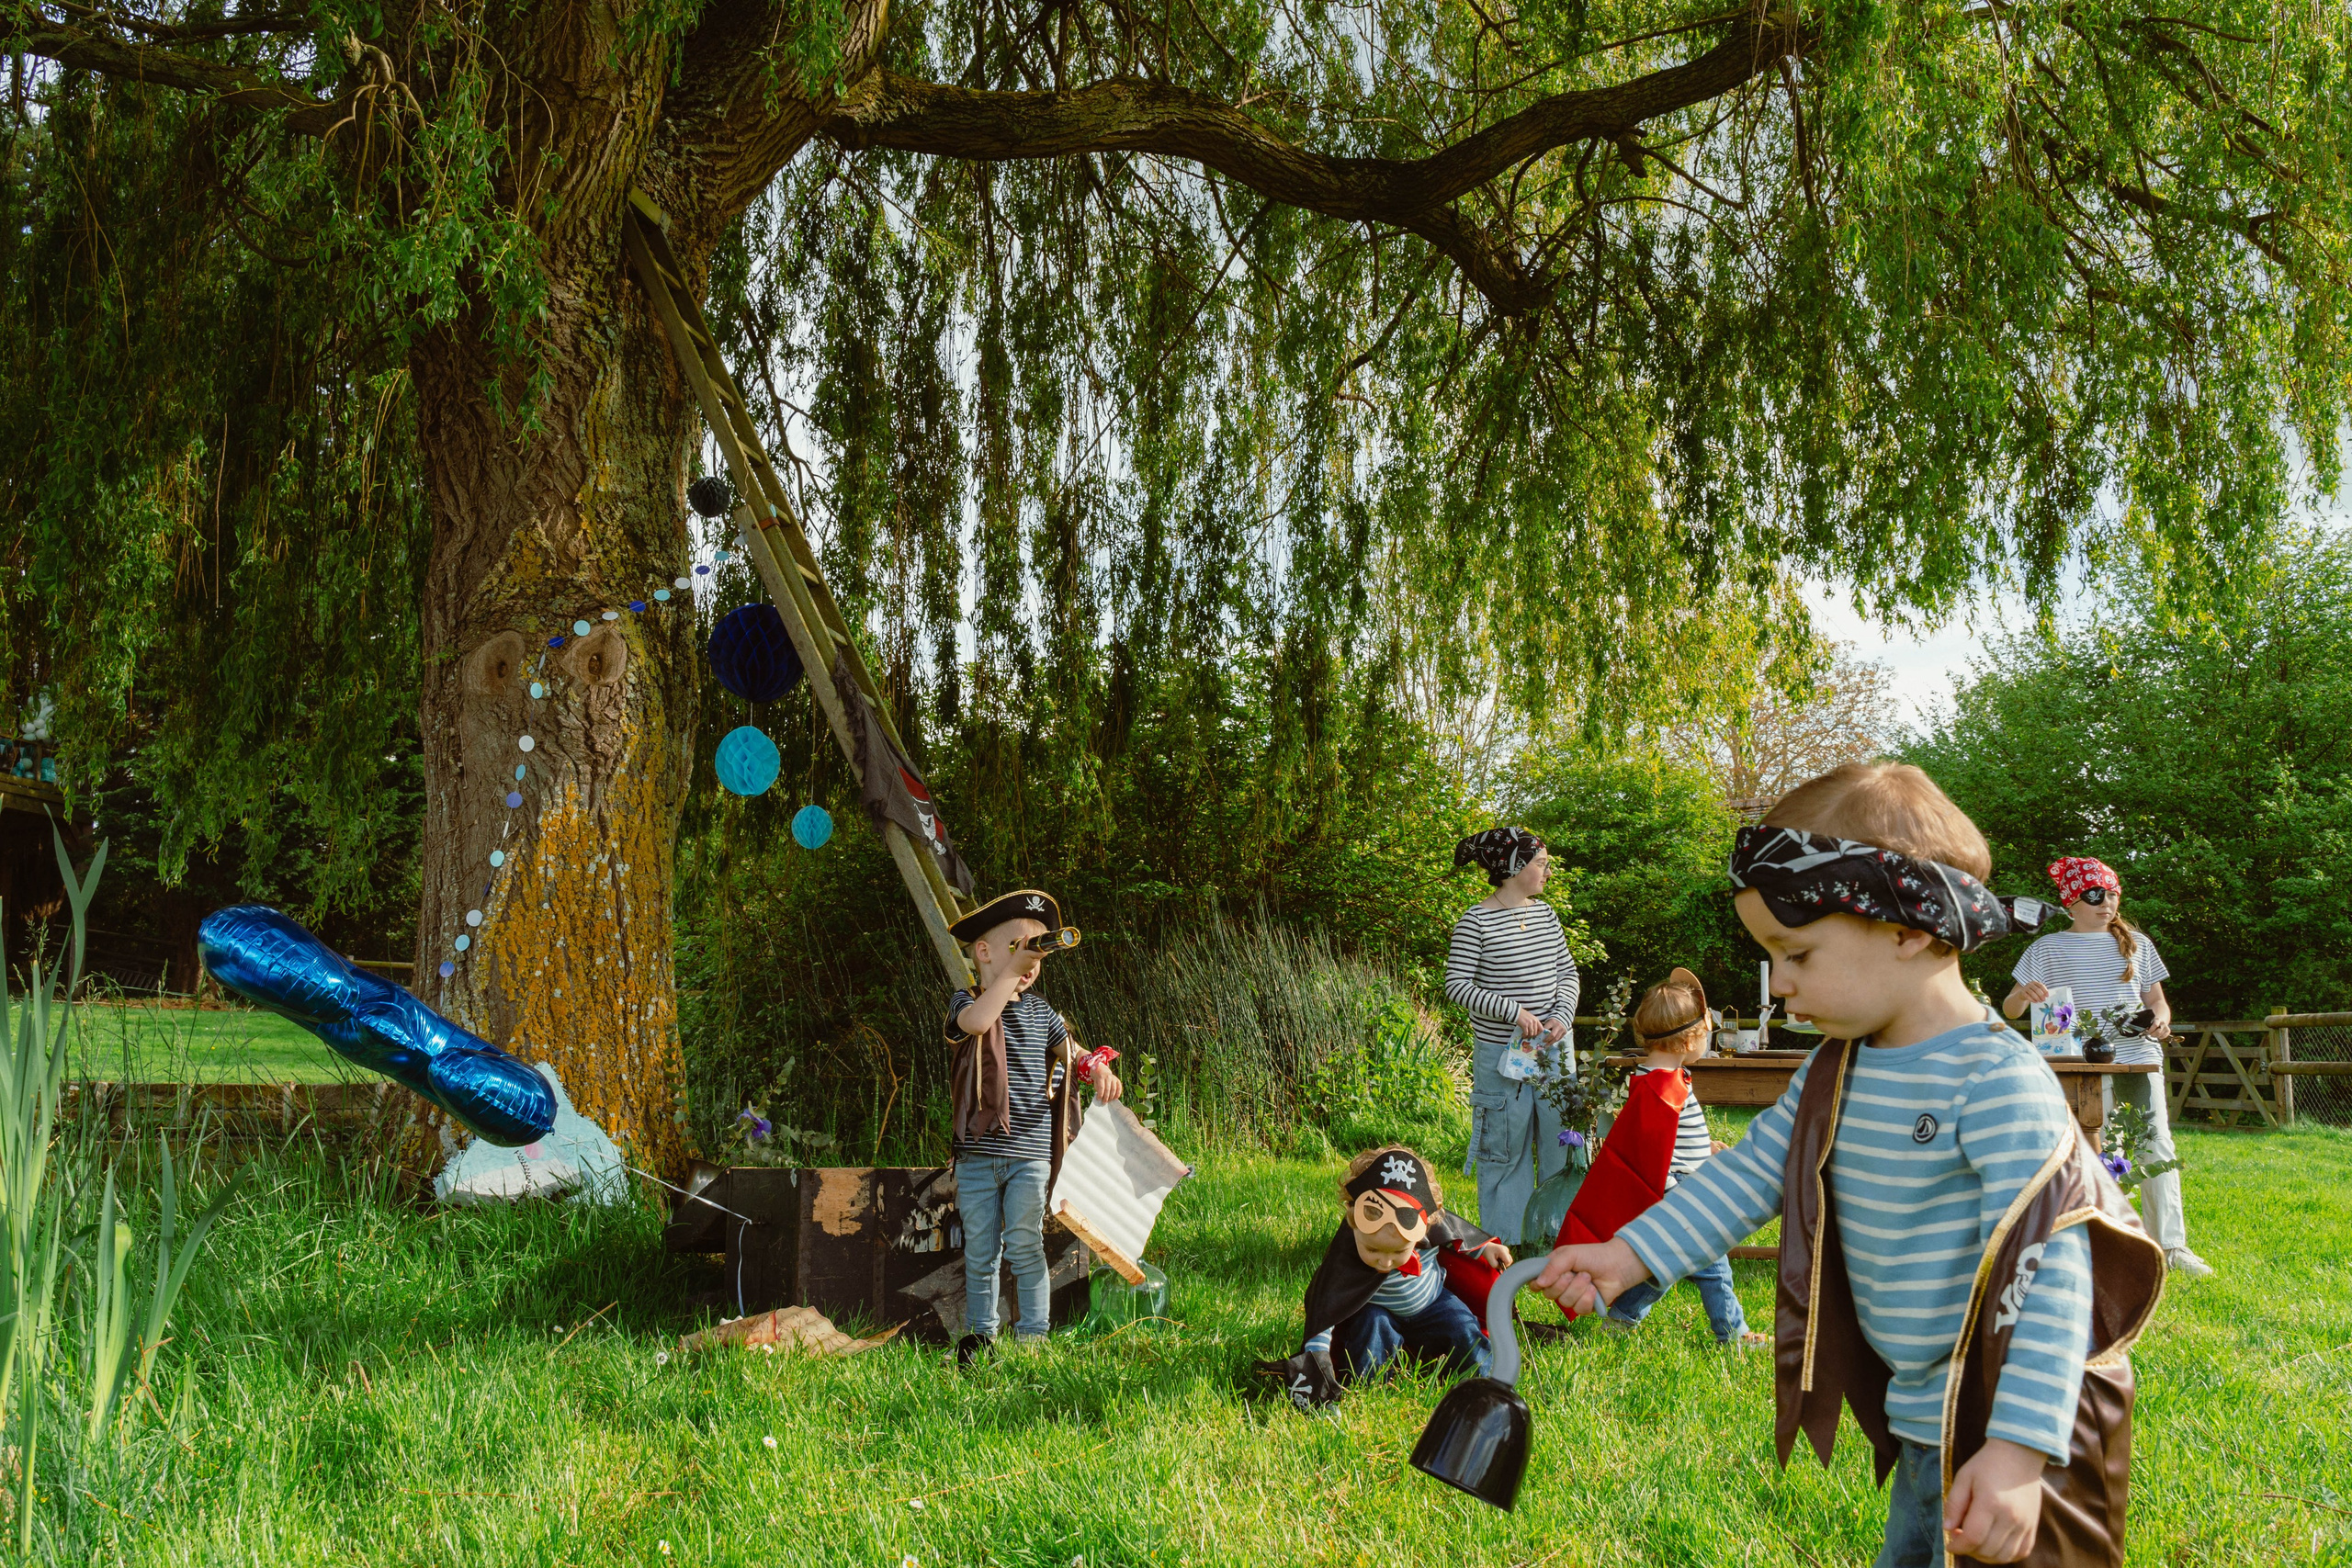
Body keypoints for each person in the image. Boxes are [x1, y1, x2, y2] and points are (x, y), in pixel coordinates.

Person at [1534, 763, 2165, 1568]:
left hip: (2018, 1430)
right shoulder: (1837, 1068)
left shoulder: (1996, 1080)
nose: (1780, 982)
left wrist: (2016, 1452)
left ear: (1908, 929)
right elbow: (1751, 1174)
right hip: (1926, 1419)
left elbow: (2051, 1269)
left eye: (1793, 952)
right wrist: (1629, 1255)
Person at [2004, 856, 2211, 1278]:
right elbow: (2009, 1009)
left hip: (2136, 1059)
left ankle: (2171, 1248)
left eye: (2113, 894)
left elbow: (2155, 1000)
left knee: (2154, 1146)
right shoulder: (2046, 949)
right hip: (2075, 1064)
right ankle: (2099, 1242)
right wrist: (2024, 994)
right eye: (2096, 895)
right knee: (2091, 1151)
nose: (2107, 903)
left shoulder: (2137, 943)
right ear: (2071, 902)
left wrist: (2162, 1019)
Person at [944, 889, 1122, 1365]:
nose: (1033, 958)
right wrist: (1007, 976)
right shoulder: (967, 1002)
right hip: (977, 1156)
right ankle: (981, 1339)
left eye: (1040, 949)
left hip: (1029, 1154)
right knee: (982, 1253)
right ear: (983, 952)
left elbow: (1077, 1055)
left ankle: (1033, 1337)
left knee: (1025, 1245)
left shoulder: (1044, 1014)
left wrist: (1098, 1068)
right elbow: (980, 1023)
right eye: (1022, 947)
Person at [1565, 968, 1769, 1348]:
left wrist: (1703, 1147)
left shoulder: (1660, 1077)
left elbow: (1663, 1139)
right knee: (1714, 1264)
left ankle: (1622, 1318)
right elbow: (1650, 1157)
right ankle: (1733, 1334)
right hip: (1677, 1194)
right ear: (1689, 1038)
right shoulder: (1661, 1088)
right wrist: (1678, 1201)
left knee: (1663, 1266)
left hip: (1677, 1187)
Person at [1253, 1145, 1514, 1408]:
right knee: (1371, 1330)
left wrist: (1486, 1248)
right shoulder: (1346, 1253)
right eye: (1373, 1249)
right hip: (1377, 1310)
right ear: (1353, 1220)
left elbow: (1457, 1235)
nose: (1386, 1262)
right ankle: (1369, 1386)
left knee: (1462, 1327)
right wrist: (1317, 1355)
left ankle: (1485, 1380)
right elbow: (1327, 1305)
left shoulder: (1423, 1223)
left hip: (1431, 1303)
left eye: (1399, 1251)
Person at [1445, 828, 1579, 1245]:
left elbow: (1567, 973)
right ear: (1511, 867)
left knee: (1565, 1140)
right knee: (1504, 1146)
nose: (1548, 871)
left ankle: (1562, 1235)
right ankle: (1507, 1243)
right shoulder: (1476, 921)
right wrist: (1514, 1013)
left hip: (1555, 1050)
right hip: (1501, 1056)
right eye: (1541, 863)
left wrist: (1562, 1015)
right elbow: (1457, 985)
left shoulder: (1546, 915)